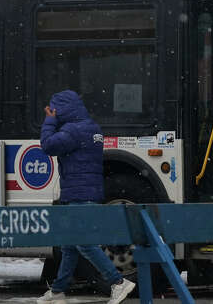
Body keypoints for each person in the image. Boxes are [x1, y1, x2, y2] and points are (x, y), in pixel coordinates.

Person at [37, 90, 136, 304]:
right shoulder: (92, 127)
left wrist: (49, 121)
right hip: (88, 192)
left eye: (55, 109)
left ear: (62, 109)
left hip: (79, 194)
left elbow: (47, 145)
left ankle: (118, 282)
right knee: (70, 245)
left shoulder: (73, 131)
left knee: (83, 243)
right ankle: (57, 290)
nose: (53, 112)